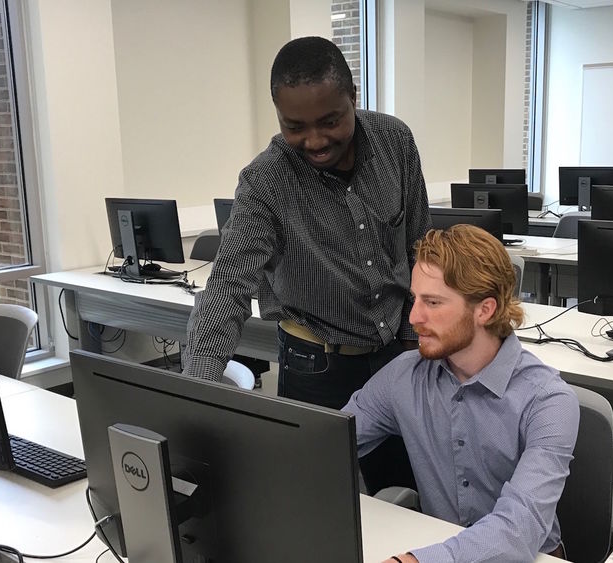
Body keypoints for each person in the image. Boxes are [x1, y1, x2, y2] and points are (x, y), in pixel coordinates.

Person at [183, 36, 430, 493]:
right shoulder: (265, 182)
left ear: (353, 98)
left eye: (330, 121)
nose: (314, 141)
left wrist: (419, 346)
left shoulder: (395, 142)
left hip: (400, 354)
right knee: (324, 501)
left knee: (406, 491)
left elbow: (421, 249)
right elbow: (228, 288)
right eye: (294, 126)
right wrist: (195, 396)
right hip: (317, 368)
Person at [343, 224, 580, 562]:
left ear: (485, 309)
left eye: (433, 302)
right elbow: (333, 441)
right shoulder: (404, 375)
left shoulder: (548, 401)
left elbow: (519, 528)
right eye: (415, 299)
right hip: (438, 544)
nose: (414, 317)